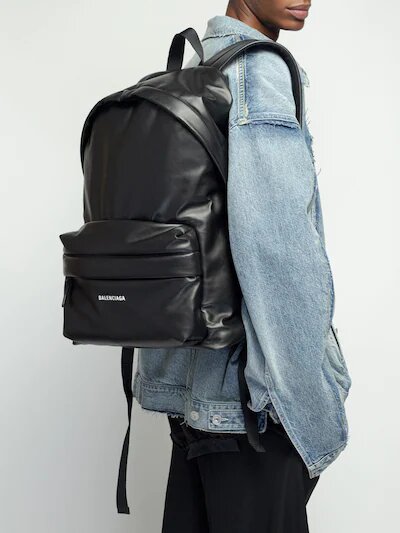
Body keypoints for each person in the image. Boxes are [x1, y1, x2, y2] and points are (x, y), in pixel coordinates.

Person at [132, 1, 352, 531]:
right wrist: (312, 401)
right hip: (252, 407)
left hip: (190, 396)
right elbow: (276, 249)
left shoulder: (196, 66)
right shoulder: (258, 70)